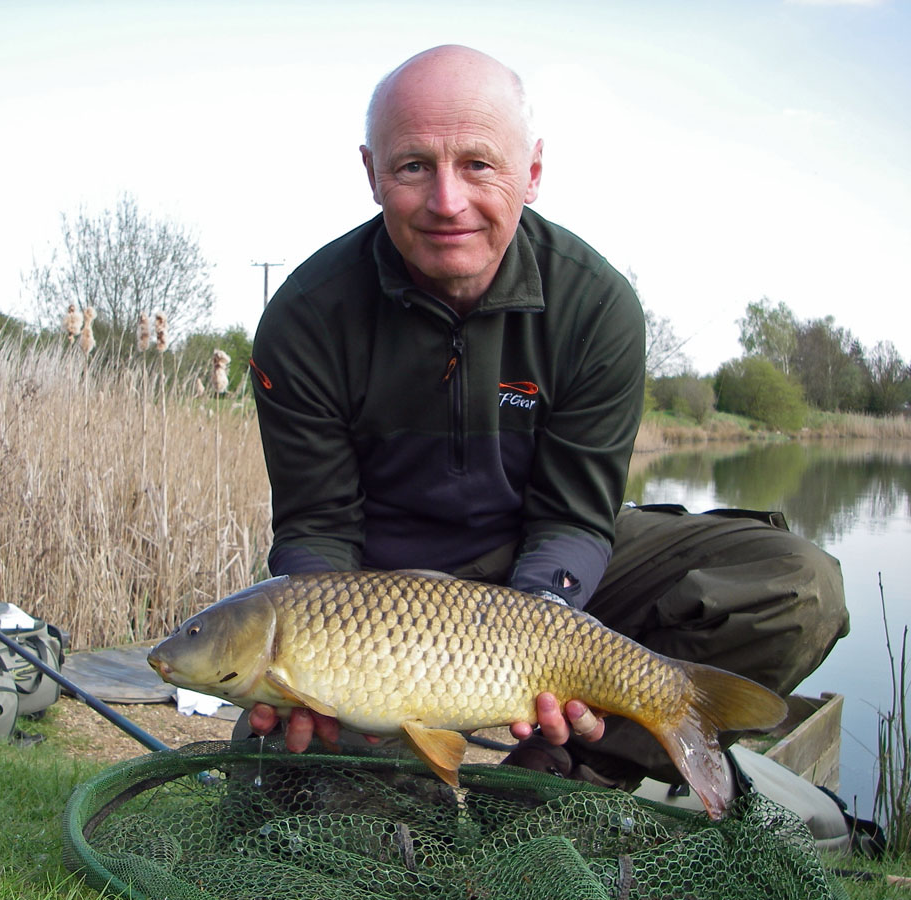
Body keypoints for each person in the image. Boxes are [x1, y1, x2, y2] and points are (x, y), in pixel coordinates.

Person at [241, 45, 848, 791]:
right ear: (371, 174)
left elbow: (574, 516)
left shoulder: (596, 306)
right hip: (384, 598)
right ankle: (402, 762)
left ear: (532, 172)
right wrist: (315, 668)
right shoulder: (306, 318)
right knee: (294, 783)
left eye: (478, 165)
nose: (447, 201)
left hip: (544, 568)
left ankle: (569, 772)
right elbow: (316, 530)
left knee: (796, 585)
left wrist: (540, 631)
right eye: (412, 167)